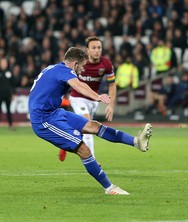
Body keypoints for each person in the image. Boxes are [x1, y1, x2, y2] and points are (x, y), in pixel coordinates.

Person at [29, 47, 152, 195]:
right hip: (43, 120)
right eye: (81, 66)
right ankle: (109, 188)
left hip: (54, 112)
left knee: (95, 126)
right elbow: (78, 85)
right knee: (83, 149)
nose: (82, 70)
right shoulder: (65, 71)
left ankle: (136, 142)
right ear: (74, 64)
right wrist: (97, 96)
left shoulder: (53, 68)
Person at [58, 36, 117, 162]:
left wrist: (111, 105)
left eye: (99, 47)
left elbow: (112, 84)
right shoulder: (80, 63)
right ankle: (92, 160)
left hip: (93, 100)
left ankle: (66, 140)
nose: (97, 50)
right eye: (94, 48)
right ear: (87, 50)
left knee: (82, 127)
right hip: (77, 98)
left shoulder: (106, 64)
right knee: (88, 125)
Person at [0, 57, 15, 130]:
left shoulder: (9, 72)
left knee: (8, 110)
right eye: (2, 63)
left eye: (5, 63)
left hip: (7, 94)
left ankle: (10, 124)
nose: (4, 64)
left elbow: (13, 84)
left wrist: (13, 94)